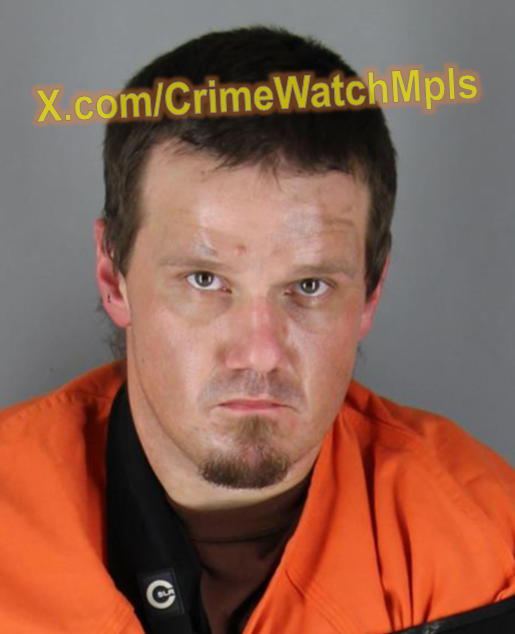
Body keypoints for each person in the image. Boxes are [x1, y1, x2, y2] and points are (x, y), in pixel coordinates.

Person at [1, 25, 515, 634]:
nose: (260, 353)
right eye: (204, 279)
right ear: (114, 276)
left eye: (310, 286)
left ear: (371, 292)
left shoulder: (485, 542)